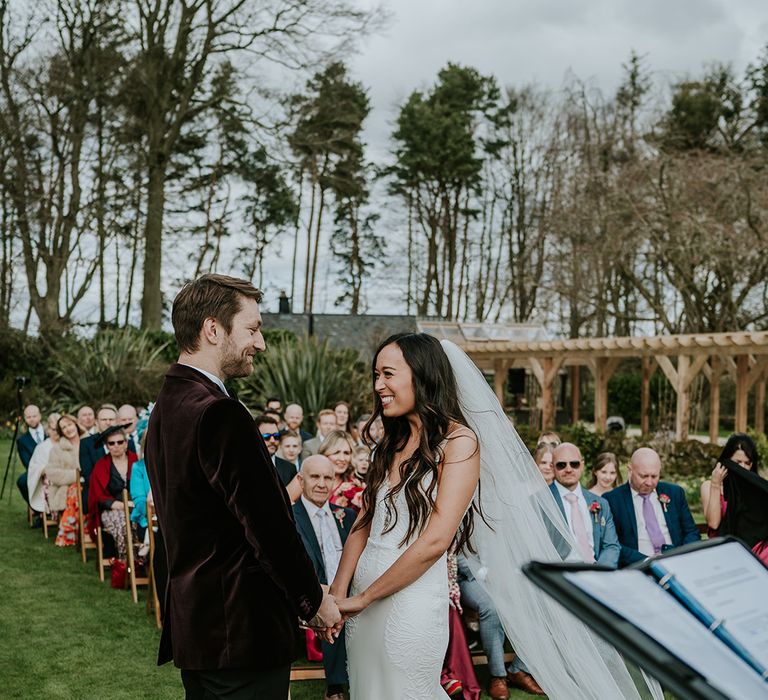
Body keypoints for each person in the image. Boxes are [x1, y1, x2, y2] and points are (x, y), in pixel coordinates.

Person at [143, 273, 338, 700]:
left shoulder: (166, 410)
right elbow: (267, 525)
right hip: (240, 633)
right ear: (213, 329)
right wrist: (313, 599)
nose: (261, 343)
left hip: (201, 630)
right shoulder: (219, 414)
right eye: (252, 328)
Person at [330, 333, 481, 699]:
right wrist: (337, 594)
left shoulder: (459, 443)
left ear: (421, 375)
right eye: (375, 375)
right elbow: (363, 525)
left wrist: (363, 598)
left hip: (410, 602)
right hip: (360, 604)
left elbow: (434, 542)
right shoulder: (391, 442)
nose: (378, 385)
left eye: (388, 374)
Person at [293, 455, 357, 700]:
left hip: (347, 591)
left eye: (327, 477)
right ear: (301, 479)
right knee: (331, 607)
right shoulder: (290, 517)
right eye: (315, 477)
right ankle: (337, 687)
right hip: (313, 592)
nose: (322, 483)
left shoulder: (347, 516)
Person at [456, 554, 544, 698]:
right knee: (492, 608)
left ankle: (519, 669)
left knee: (541, 599)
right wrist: (484, 573)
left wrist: (511, 573)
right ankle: (498, 676)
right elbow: (457, 551)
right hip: (471, 576)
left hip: (511, 572)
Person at [604, 447, 700, 567]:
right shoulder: (612, 500)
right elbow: (613, 543)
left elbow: (691, 532)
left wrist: (680, 556)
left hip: (677, 562)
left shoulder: (674, 493)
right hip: (638, 566)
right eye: (644, 476)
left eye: (654, 476)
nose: (649, 482)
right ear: (630, 470)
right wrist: (647, 561)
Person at [548, 443, 620, 568]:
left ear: (582, 465)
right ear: (552, 467)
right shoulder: (541, 501)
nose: (569, 469)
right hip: (559, 574)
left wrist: (600, 572)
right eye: (561, 465)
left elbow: (611, 546)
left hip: (597, 571)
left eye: (574, 464)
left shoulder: (601, 503)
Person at [701, 433, 768, 564]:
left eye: (747, 463)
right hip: (724, 545)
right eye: (737, 462)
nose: (742, 468)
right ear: (726, 461)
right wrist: (715, 484)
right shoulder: (708, 486)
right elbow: (713, 523)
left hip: (755, 546)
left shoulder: (755, 489)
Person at [87, 426, 139, 559]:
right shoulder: (100, 466)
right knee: (123, 525)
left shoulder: (136, 461)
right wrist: (122, 506)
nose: (116, 446)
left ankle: (141, 561)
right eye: (111, 443)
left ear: (126, 443)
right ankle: (127, 563)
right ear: (107, 446)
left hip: (136, 507)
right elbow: (98, 496)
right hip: (111, 509)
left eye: (120, 442)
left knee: (139, 524)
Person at [320, 430, 364, 513]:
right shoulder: (309, 477)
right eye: (336, 452)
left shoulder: (353, 487)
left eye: (346, 453)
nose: (342, 458)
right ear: (325, 453)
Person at [26, 413, 61, 514]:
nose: (56, 432)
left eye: (59, 429)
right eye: (54, 429)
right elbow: (34, 468)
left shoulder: (68, 444)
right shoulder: (42, 447)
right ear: (48, 430)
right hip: (49, 483)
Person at [16, 404, 45, 503]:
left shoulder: (50, 433)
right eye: (28, 417)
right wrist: (41, 471)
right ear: (25, 418)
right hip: (36, 470)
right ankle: (37, 510)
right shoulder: (22, 440)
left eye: (34, 416)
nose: (32, 419)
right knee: (22, 481)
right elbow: (27, 463)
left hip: (54, 467)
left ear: (40, 416)